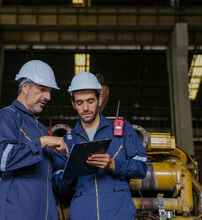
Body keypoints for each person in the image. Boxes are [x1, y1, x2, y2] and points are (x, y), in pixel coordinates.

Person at [53, 71, 147, 220]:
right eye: (79, 102)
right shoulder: (67, 141)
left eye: (90, 101)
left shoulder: (122, 130)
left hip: (119, 213)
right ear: (73, 104)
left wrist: (113, 165)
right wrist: (71, 169)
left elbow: (141, 168)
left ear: (100, 99)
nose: (85, 108)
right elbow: (59, 189)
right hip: (82, 214)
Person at [0, 60, 68, 220]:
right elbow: (2, 160)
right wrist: (43, 142)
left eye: (50, 91)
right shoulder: (7, 117)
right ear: (25, 87)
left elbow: (46, 178)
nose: (48, 96)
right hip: (15, 213)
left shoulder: (38, 126)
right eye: (42, 89)